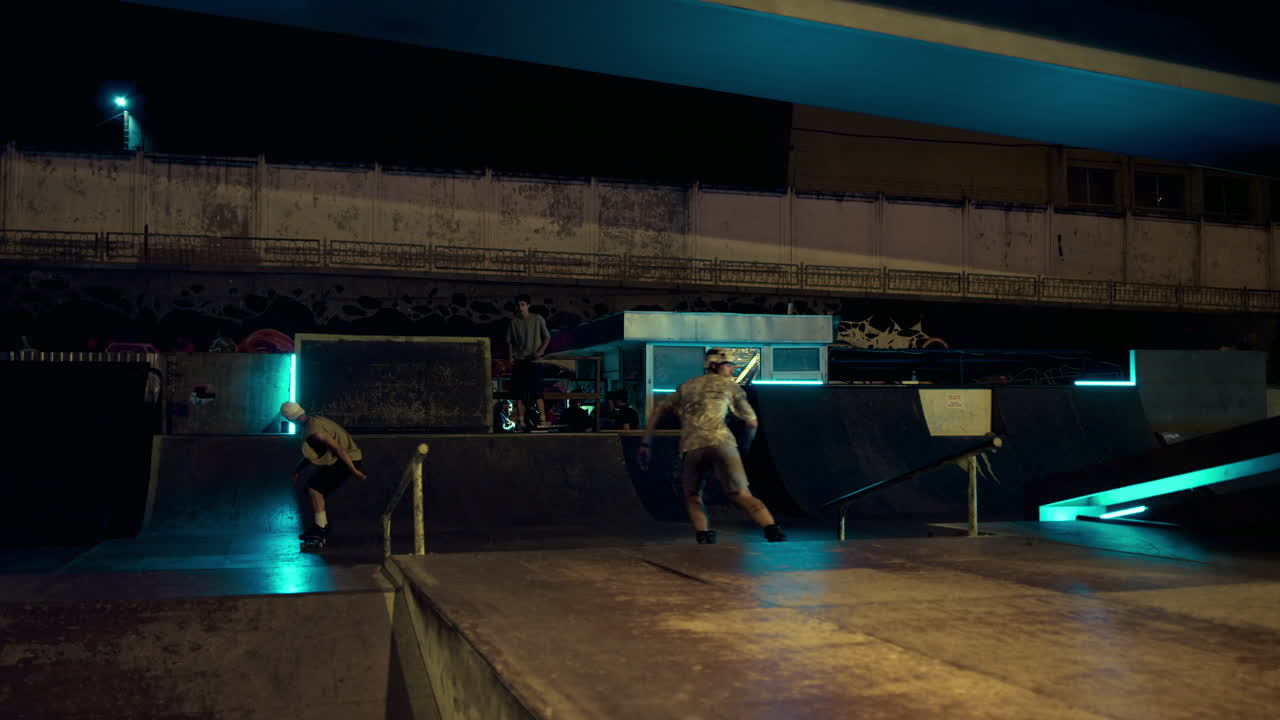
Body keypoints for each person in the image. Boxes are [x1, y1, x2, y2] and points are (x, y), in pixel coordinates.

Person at [637, 349, 786, 544]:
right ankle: (772, 530)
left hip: (692, 446)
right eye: (729, 365)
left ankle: (704, 535)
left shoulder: (687, 386)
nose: (733, 369)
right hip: (723, 442)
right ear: (715, 365)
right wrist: (744, 446)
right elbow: (752, 423)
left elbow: (658, 409)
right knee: (742, 494)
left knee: (692, 496)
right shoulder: (730, 387)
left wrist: (645, 443)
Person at [280, 401, 366, 544]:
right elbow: (316, 453)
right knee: (313, 487)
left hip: (347, 460)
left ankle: (320, 528)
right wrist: (298, 470)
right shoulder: (313, 421)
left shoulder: (314, 432)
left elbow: (339, 449)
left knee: (314, 488)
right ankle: (322, 526)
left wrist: (354, 471)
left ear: (289, 419)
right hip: (343, 460)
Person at [506, 294, 551, 431]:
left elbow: (547, 337)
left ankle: (542, 419)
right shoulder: (514, 322)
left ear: (528, 305)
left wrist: (540, 351)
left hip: (534, 360)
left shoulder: (537, 319)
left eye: (523, 305)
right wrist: (511, 357)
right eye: (519, 305)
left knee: (537, 392)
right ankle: (520, 421)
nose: (520, 307)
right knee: (519, 393)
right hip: (521, 360)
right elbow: (510, 341)